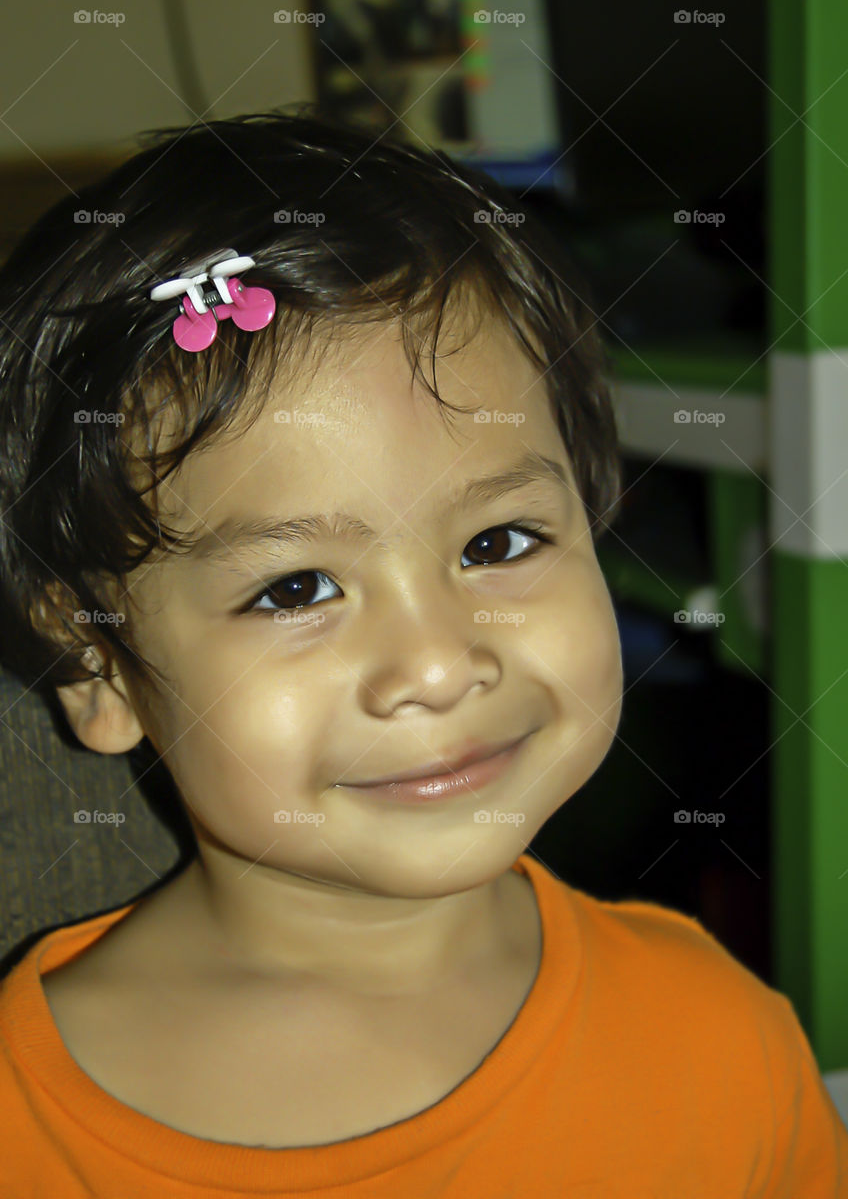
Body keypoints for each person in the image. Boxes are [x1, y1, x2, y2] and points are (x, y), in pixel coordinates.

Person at [0, 108, 844, 1197]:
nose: (440, 665)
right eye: (294, 587)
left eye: (498, 542)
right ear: (100, 669)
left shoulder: (725, 1036)